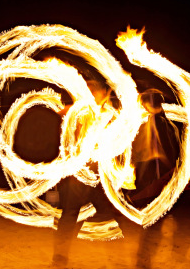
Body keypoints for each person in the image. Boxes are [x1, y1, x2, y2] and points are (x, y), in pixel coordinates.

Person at [52, 79, 122, 267]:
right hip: (78, 173)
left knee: (107, 213)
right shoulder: (79, 111)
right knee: (71, 214)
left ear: (103, 92)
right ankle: (59, 259)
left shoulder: (108, 113)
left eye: (94, 90)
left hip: (99, 173)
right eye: (88, 90)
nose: (90, 93)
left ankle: (116, 258)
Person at [130, 89, 190, 268]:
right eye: (152, 101)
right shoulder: (152, 124)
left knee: (179, 221)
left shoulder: (165, 123)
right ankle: (147, 260)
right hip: (163, 181)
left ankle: (155, 259)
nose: (154, 104)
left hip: (170, 180)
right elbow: (146, 155)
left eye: (156, 101)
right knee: (169, 222)